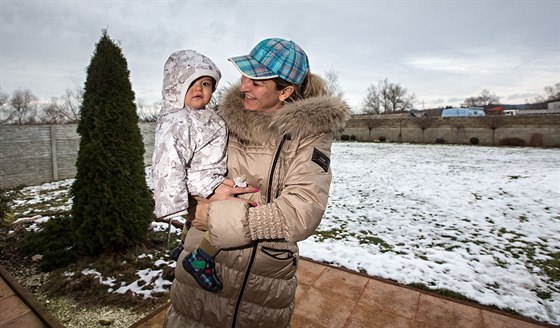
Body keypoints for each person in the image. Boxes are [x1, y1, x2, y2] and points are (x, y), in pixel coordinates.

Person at [164, 38, 351, 327]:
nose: (243, 87)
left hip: (258, 282)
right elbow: (178, 166)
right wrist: (188, 203)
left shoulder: (310, 136)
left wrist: (211, 216)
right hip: (196, 269)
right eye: (244, 76)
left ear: (285, 91)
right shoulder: (218, 120)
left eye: (257, 82)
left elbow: (302, 211)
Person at [152, 49, 251, 293]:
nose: (199, 89)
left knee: (222, 207)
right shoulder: (176, 120)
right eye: (191, 82)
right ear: (175, 87)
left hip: (210, 175)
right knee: (231, 214)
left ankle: (183, 242)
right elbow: (168, 162)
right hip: (200, 179)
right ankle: (200, 258)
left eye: (206, 83)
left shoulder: (204, 116)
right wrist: (172, 202)